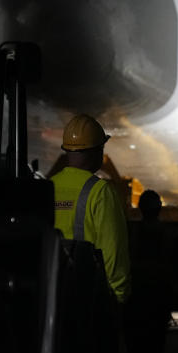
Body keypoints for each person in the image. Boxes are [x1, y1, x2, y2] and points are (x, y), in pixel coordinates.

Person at [50, 114, 131, 304]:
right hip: (88, 295)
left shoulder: (49, 186)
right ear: (97, 151)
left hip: (53, 290)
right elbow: (113, 250)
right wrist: (118, 296)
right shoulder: (100, 191)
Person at [125, 190, 176, 353]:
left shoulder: (133, 233)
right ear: (159, 209)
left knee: (135, 342)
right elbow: (170, 264)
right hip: (158, 295)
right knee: (155, 343)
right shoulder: (165, 234)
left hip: (137, 294)